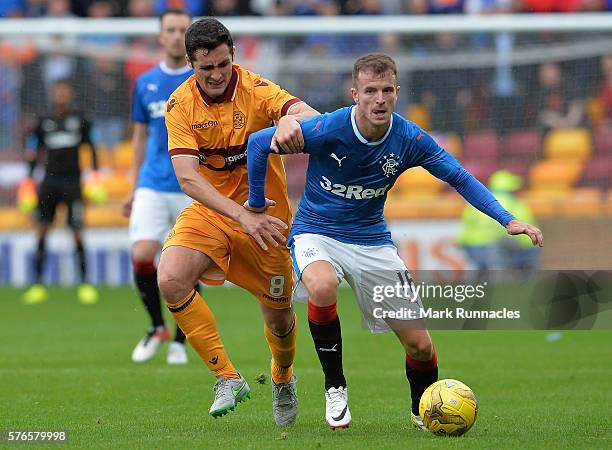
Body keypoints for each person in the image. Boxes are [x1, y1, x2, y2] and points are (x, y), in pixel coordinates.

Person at [246, 53, 543, 429]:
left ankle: (426, 408)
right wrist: (256, 205)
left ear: (397, 92)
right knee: (321, 286)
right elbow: (257, 145)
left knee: (420, 346)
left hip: (373, 242)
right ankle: (335, 388)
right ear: (355, 93)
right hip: (316, 232)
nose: (380, 99)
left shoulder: (408, 137)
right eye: (371, 91)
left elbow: (460, 177)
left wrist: (508, 219)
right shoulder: (326, 129)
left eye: (387, 90)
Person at [157, 18, 319, 425]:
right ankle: (227, 377)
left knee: (279, 319)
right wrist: (240, 216)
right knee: (171, 278)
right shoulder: (179, 106)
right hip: (215, 212)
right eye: (204, 68)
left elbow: (305, 112)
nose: (214, 75)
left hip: (269, 222)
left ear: (234, 55)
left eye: (222, 65)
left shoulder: (257, 89)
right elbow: (188, 178)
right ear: (191, 63)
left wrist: (290, 119)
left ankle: (282, 378)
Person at [122, 8, 194, 365]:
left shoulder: (201, 82)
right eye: (171, 29)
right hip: (152, 181)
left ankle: (181, 339)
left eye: (184, 29)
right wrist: (134, 184)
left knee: (184, 266)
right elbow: (138, 137)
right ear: (160, 36)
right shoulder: (146, 82)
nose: (178, 35)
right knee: (142, 254)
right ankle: (156, 327)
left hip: (190, 185)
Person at [22, 79, 100, 305]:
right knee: (42, 231)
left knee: (77, 232)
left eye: (64, 91)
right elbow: (33, 151)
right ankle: (37, 285)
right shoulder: (43, 121)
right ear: (52, 94)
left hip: (73, 184)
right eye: (57, 91)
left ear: (70, 93)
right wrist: (28, 179)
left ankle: (85, 284)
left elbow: (91, 148)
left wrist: (94, 175)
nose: (61, 94)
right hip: (49, 183)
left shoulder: (80, 119)